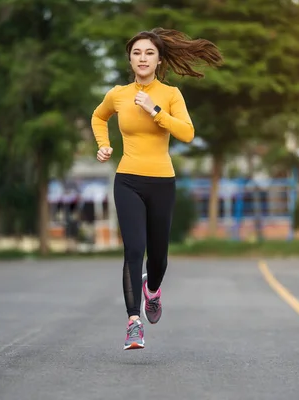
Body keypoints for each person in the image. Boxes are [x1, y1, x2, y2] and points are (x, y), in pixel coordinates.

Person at [91, 27, 223, 350]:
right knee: (134, 249)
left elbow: (188, 133)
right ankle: (133, 323)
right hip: (127, 181)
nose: (142, 58)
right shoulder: (118, 94)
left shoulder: (170, 94)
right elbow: (98, 116)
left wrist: (154, 110)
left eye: (149, 52)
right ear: (130, 59)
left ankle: (154, 289)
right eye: (137, 53)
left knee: (158, 258)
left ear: (159, 59)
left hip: (162, 182)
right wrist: (104, 145)